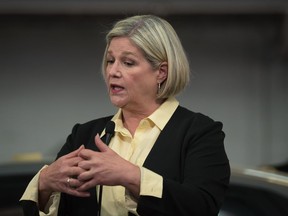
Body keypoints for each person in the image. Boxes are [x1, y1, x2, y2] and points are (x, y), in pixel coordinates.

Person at [20, 14, 230, 216]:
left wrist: (131, 176)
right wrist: (44, 184)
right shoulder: (84, 134)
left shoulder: (199, 132)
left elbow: (203, 206)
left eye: (128, 63)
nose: (113, 72)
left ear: (161, 72)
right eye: (111, 61)